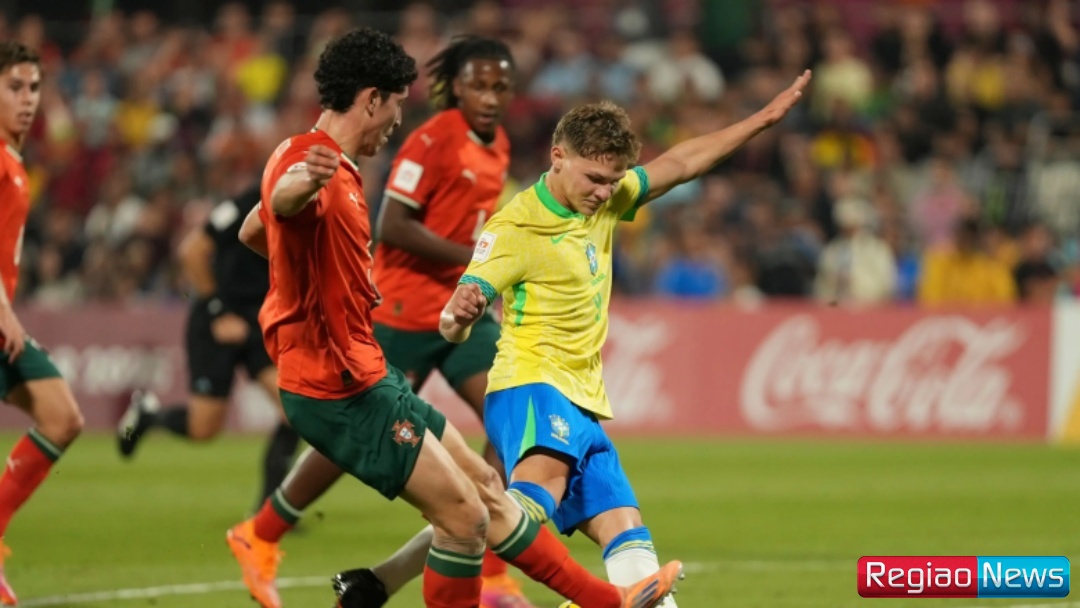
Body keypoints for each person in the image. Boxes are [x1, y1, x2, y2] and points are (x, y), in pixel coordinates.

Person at [224, 27, 681, 608]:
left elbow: (256, 229)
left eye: (501, 86)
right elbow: (287, 203)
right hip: (362, 354)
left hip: (376, 360)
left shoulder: (346, 159)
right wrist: (303, 191)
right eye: (395, 105)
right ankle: (607, 601)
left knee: (485, 484)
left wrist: (315, 272)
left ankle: (426, 580)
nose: (398, 120)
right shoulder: (330, 164)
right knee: (468, 510)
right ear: (372, 99)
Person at [441, 72, 812, 607]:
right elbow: (452, 322)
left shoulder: (609, 200)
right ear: (557, 156)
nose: (603, 192)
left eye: (612, 181)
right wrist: (460, 314)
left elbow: (681, 163)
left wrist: (760, 121)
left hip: (583, 399)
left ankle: (390, 575)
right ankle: (431, 576)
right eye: (594, 178)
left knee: (627, 532)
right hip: (532, 383)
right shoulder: (516, 229)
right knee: (530, 499)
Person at [236, 35, 537, 607]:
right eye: (479, 85)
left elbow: (262, 225)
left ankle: (494, 571)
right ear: (455, 88)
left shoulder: (496, 146)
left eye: (501, 87)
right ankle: (264, 529)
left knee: (511, 417)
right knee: (361, 425)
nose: (491, 97)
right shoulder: (429, 140)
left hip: (460, 311)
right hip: (404, 310)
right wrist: (480, 257)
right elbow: (391, 224)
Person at [116, 182, 301, 509]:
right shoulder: (246, 203)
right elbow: (192, 251)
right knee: (203, 428)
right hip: (217, 322)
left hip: (259, 323)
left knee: (295, 412)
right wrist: (219, 312)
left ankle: (270, 510)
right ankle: (149, 417)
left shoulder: (304, 207)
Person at [0, 42, 86, 606]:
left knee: (62, 417)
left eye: (34, 88)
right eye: (14, 87)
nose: (28, 99)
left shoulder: (14, 161)